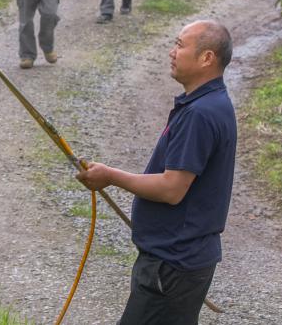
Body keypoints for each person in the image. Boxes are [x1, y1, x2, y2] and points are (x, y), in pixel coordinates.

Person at [76, 20, 236, 325]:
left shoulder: (200, 114)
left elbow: (171, 189)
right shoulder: (210, 103)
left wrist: (110, 176)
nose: (172, 52)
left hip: (173, 265)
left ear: (207, 58)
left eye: (179, 45)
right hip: (181, 261)